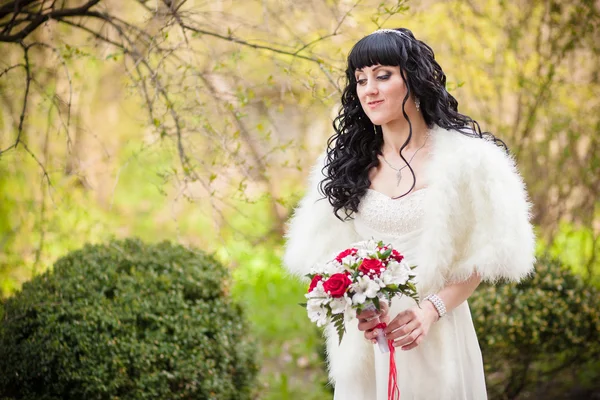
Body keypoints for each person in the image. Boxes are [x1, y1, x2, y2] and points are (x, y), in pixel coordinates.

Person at [282, 28, 535, 400]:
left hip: (438, 333)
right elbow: (330, 256)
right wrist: (360, 307)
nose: (369, 89)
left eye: (383, 76)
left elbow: (488, 251)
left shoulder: (467, 160)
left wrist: (430, 311)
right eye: (361, 80)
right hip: (371, 341)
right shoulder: (343, 166)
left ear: (414, 80)